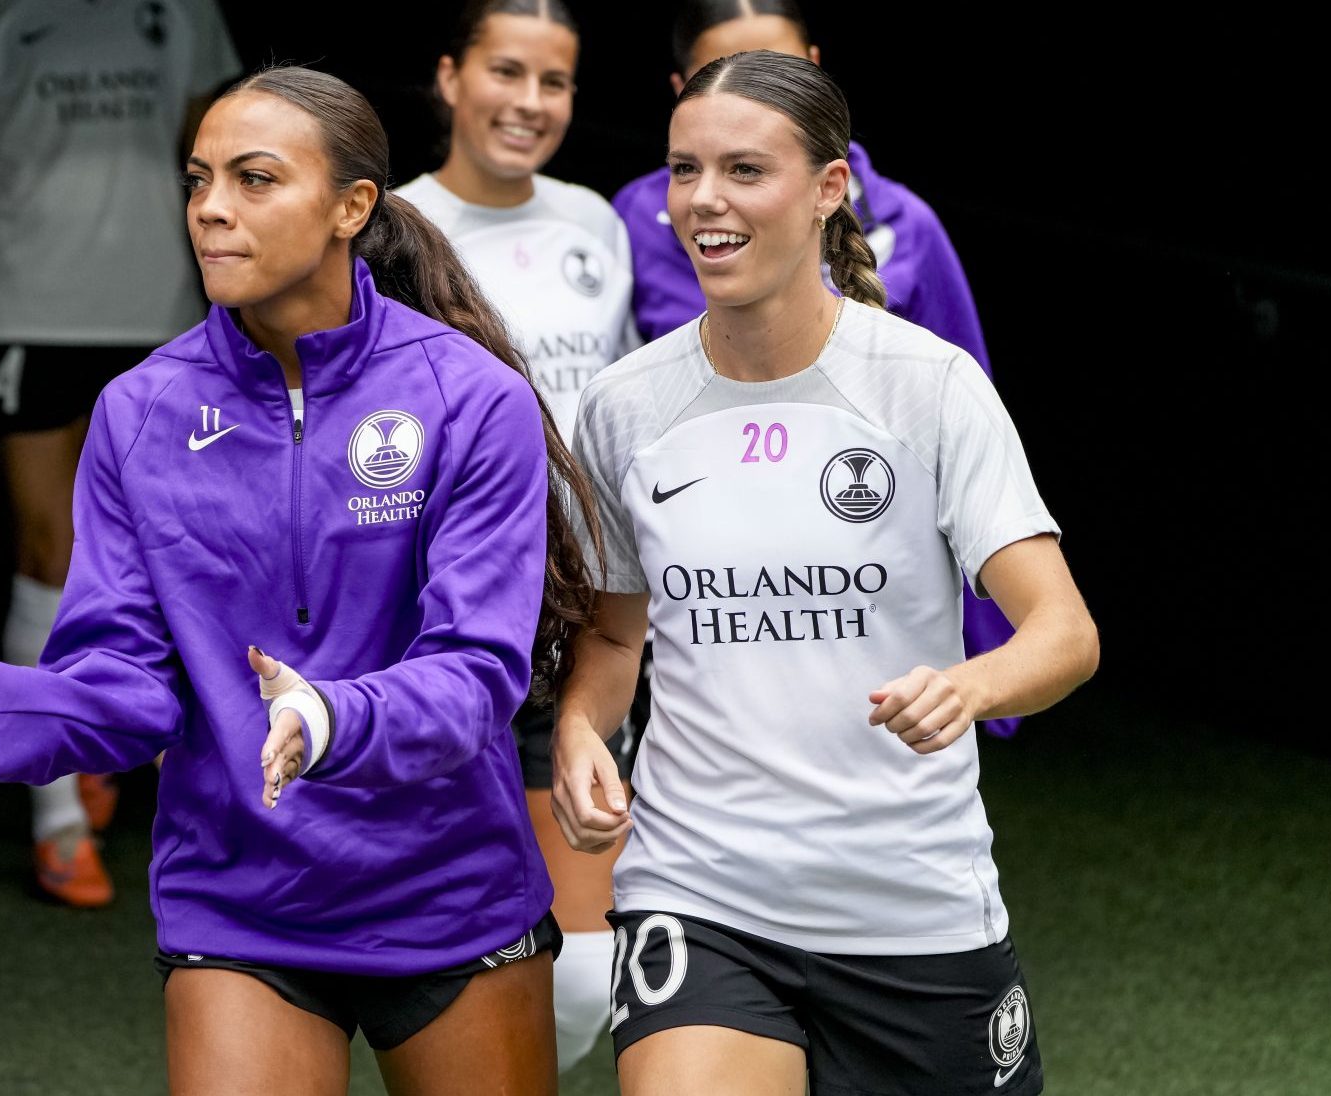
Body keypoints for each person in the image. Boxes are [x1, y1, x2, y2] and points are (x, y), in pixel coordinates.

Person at [0, 65, 604, 1094]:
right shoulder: (139, 409)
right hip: (240, 891)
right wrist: (24, 710)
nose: (210, 207)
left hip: (442, 885)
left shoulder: (468, 397)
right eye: (197, 177)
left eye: (254, 179)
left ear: (352, 207)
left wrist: (329, 717)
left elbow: (477, 671)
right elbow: (129, 676)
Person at [552, 51, 1098, 1095]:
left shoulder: (928, 387)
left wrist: (970, 684)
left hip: (912, 906)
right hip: (699, 892)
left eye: (743, 171)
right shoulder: (623, 405)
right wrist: (582, 726)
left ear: (828, 189)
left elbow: (1062, 632)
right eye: (682, 170)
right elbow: (616, 634)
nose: (703, 200)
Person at [0, 0, 242, 907]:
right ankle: (58, 822)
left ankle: (117, 728)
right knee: (46, 555)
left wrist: (248, 305)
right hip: (25, 312)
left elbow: (216, 155)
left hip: (160, 315)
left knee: (176, 556)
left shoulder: (181, 10)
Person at [612, 0, 1021, 732]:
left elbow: (976, 444)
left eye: (779, 69)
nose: (709, 200)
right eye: (721, 72)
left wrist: (981, 670)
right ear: (681, 91)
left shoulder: (908, 234)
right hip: (700, 571)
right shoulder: (635, 223)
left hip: (865, 575)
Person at [394, 0, 635, 1071]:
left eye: (555, 81)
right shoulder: (387, 222)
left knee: (583, 970)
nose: (529, 103)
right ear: (448, 77)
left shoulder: (594, 220)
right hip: (435, 625)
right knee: (439, 952)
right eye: (505, 71)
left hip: (585, 618)